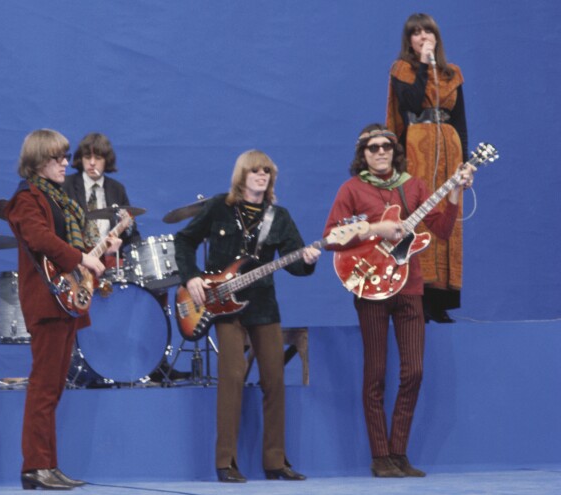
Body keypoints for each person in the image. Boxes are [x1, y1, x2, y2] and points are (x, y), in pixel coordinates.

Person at [323, 124, 474, 478]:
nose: (380, 152)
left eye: (386, 146)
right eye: (373, 147)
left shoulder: (414, 186)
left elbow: (441, 230)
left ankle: (399, 452)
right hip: (371, 286)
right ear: (363, 153)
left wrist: (454, 193)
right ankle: (380, 457)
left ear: (394, 151)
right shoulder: (352, 189)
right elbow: (331, 237)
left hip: (410, 285)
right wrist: (376, 230)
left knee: (414, 371)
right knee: (375, 374)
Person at [174, 149, 319, 483]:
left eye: (266, 171)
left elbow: (295, 265)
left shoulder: (278, 216)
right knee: (232, 380)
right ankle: (225, 463)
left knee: (275, 381)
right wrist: (192, 276)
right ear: (242, 175)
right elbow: (184, 240)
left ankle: (275, 461)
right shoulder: (218, 207)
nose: (261, 175)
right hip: (224, 308)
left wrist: (308, 259)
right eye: (255, 170)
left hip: (264, 306)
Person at [4, 129, 121, 490]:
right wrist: (82, 255)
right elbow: (40, 239)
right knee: (44, 386)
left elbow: (75, 245)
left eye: (65, 157)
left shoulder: (60, 199)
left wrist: (106, 249)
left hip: (64, 301)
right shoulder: (26, 197)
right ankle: (35, 466)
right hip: (47, 300)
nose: (65, 164)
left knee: (53, 387)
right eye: (57, 158)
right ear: (38, 161)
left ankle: (47, 465)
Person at [386, 13, 468, 322]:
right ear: (409, 40)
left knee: (449, 217)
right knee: (420, 218)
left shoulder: (453, 74)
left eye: (427, 32)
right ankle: (419, 299)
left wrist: (467, 165)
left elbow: (460, 120)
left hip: (449, 149)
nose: (423, 36)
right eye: (416, 33)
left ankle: (441, 302)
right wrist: (423, 64)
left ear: (436, 36)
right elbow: (410, 103)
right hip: (417, 151)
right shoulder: (402, 70)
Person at [62, 132, 140, 251]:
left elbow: (131, 234)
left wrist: (127, 226)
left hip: (110, 260)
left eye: (98, 158)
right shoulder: (66, 185)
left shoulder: (117, 189)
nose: (92, 163)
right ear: (81, 159)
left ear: (106, 161)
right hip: (75, 259)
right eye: (87, 157)